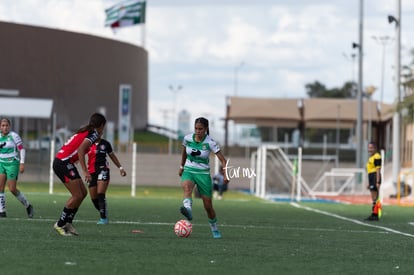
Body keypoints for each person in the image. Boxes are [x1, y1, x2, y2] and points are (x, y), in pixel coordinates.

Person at [52, 113, 106, 236]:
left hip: (65, 162)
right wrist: (85, 171)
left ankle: (68, 222)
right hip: (62, 162)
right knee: (77, 195)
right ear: (101, 125)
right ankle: (60, 224)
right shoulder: (92, 134)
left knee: (83, 193)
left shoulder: (88, 132)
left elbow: (78, 148)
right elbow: (81, 150)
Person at [178, 117, 229, 239]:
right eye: (196, 128)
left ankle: (214, 228)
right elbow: (184, 152)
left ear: (206, 129)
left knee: (208, 206)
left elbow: (223, 160)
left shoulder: (210, 142)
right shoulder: (187, 138)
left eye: (200, 129)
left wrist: (226, 174)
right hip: (189, 170)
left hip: (203, 174)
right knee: (187, 188)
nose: (198, 131)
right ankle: (188, 210)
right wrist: (181, 166)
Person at [87, 137, 126, 224]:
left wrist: (121, 168)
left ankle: (103, 218)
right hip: (91, 172)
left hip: (103, 169)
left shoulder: (106, 144)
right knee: (94, 198)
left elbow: (112, 156)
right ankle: (103, 210)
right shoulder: (88, 143)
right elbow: (80, 153)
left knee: (100, 193)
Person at [0, 118, 34, 218]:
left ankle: (28, 205)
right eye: (3, 125)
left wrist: (22, 163)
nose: (5, 127)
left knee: (12, 189)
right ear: (0, 127)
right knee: (0, 187)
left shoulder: (14, 136)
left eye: (6, 125)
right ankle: (2, 211)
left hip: (12, 164)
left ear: (9, 126)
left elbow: (21, 149)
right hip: (1, 163)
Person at [365, 141, 382, 221]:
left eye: (371, 148)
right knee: (373, 197)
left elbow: (378, 169)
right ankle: (374, 213)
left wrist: (377, 181)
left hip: (375, 176)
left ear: (375, 148)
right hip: (371, 177)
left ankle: (376, 214)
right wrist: (369, 183)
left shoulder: (377, 156)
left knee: (375, 196)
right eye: (369, 148)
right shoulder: (371, 157)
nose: (370, 149)